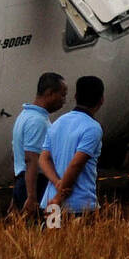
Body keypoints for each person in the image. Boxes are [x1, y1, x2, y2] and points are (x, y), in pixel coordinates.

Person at [38, 76, 105, 217]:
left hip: (50, 202)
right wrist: (59, 198)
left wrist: (57, 184)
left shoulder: (58, 123)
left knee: (52, 238)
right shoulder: (92, 128)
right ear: (101, 100)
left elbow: (43, 159)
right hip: (80, 206)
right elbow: (76, 164)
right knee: (81, 239)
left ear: (75, 96)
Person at [11, 72, 67, 218]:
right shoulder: (37, 121)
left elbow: (18, 158)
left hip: (23, 181)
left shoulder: (25, 116)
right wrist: (32, 196)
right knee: (41, 231)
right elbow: (31, 159)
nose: (64, 100)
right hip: (36, 184)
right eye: (62, 95)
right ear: (49, 93)